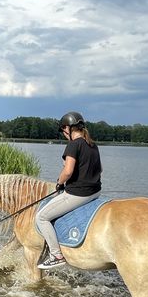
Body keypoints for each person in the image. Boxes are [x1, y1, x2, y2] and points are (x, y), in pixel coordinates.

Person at [35, 112, 102, 269]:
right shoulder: (92, 145)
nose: (64, 134)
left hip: (79, 193)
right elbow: (99, 169)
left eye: (63, 130)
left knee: (42, 217)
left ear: (68, 128)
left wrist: (59, 183)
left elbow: (68, 171)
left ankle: (56, 254)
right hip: (95, 191)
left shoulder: (74, 144)